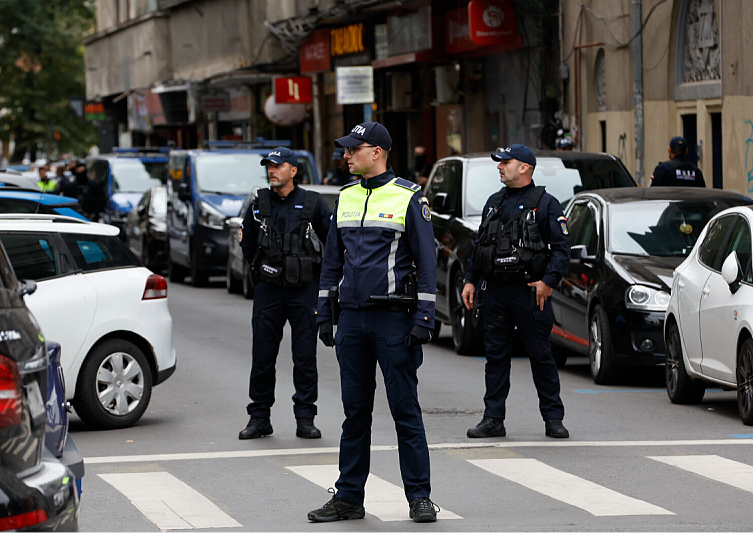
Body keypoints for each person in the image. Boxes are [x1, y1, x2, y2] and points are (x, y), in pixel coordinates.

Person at [309, 122, 438, 523]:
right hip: (352, 321)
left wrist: (424, 318)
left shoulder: (409, 198)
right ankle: (349, 497)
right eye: (345, 150)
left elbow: (428, 264)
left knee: (405, 411)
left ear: (377, 152)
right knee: (355, 413)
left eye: (353, 149)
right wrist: (324, 313)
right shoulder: (345, 197)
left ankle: (419, 497)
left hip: (393, 321)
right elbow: (332, 261)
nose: (346, 156)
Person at [460, 144, 571, 441]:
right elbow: (479, 246)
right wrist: (470, 280)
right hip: (495, 292)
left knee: (541, 356)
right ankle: (493, 419)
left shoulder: (546, 204)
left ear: (524, 167)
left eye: (505, 162)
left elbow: (562, 251)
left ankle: (553, 418)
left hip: (529, 292)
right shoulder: (493, 202)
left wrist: (548, 282)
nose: (499, 167)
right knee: (496, 358)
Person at [237, 147, 331, 441]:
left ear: (293, 171)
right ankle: (259, 417)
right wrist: (266, 269)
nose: (272, 170)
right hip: (269, 291)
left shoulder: (313, 203)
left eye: (278, 165)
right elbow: (247, 244)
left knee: (304, 357)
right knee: (263, 356)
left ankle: (305, 418)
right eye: (269, 166)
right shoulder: (259, 204)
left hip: (304, 291)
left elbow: (331, 245)